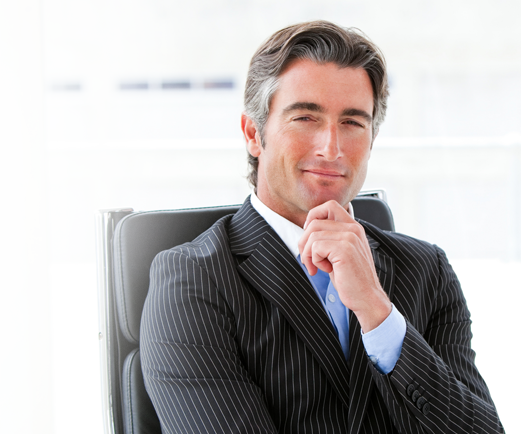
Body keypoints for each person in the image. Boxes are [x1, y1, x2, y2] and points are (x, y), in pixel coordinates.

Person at [140, 20, 503, 433]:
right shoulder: (192, 281)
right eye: (305, 117)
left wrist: (378, 314)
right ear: (254, 134)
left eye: (352, 123)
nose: (331, 148)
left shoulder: (426, 270)